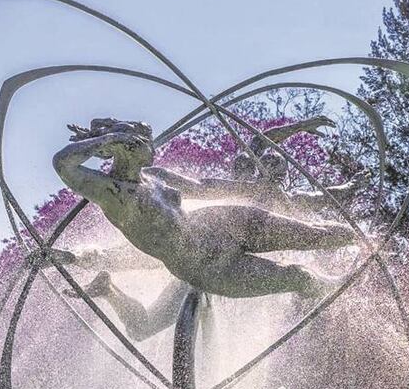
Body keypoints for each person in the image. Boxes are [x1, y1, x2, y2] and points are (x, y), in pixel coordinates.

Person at [53, 116, 366, 339]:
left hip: (223, 224)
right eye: (146, 143)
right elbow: (63, 164)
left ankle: (370, 245)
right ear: (128, 148)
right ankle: (339, 286)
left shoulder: (157, 176)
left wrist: (265, 182)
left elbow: (204, 187)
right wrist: (107, 140)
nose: (154, 147)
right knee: (297, 277)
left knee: (319, 234)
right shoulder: (113, 193)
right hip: (205, 267)